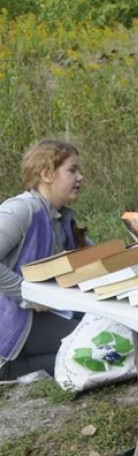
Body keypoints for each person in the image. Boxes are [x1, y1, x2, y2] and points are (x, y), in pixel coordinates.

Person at [0, 138, 86, 381]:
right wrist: (28, 294)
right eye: (72, 170)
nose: (80, 177)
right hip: (14, 321)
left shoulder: (61, 217)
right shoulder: (21, 210)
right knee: (94, 343)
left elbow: (89, 258)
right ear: (47, 174)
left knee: (103, 332)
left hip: (42, 316)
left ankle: (22, 370)